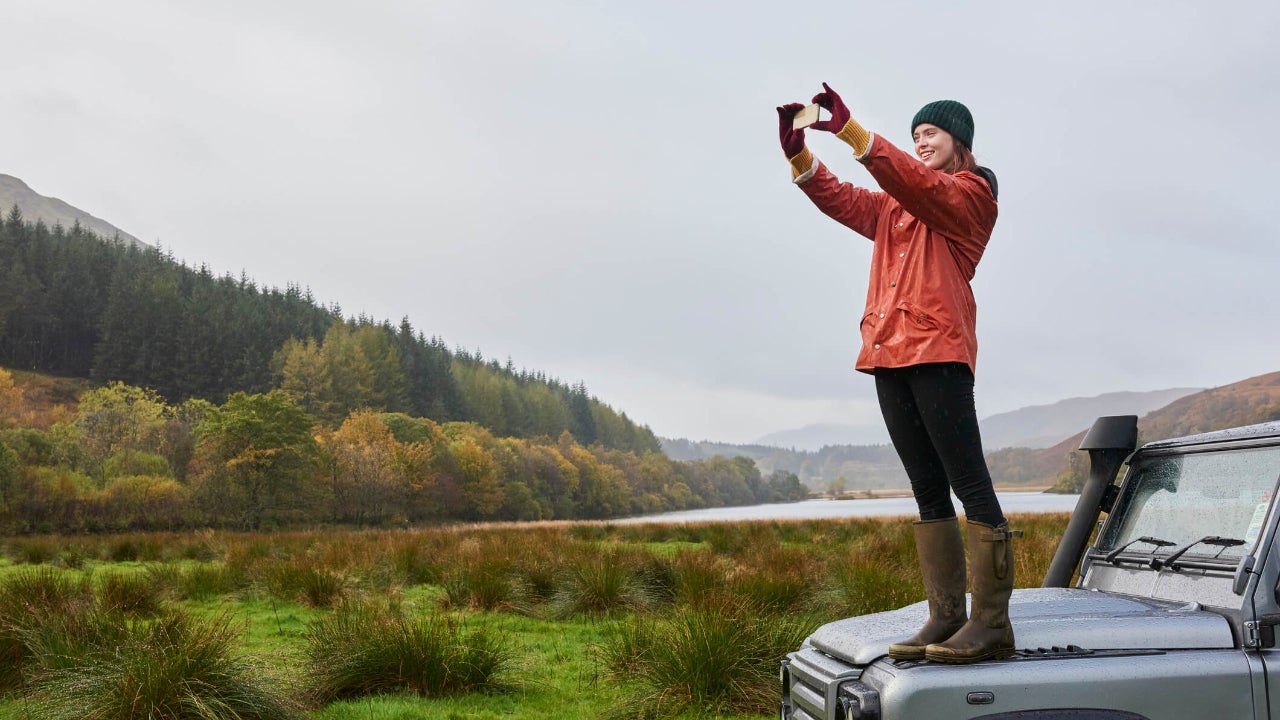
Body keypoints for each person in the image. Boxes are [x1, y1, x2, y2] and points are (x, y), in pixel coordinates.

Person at [777, 84, 1017, 664]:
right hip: (889, 354)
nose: (920, 142)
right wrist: (798, 155)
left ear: (959, 141)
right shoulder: (894, 207)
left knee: (970, 482)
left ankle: (992, 624)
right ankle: (946, 615)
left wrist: (854, 132)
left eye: (929, 133)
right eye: (914, 136)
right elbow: (843, 198)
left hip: (939, 351)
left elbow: (918, 183)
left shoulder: (973, 193)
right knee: (926, 487)